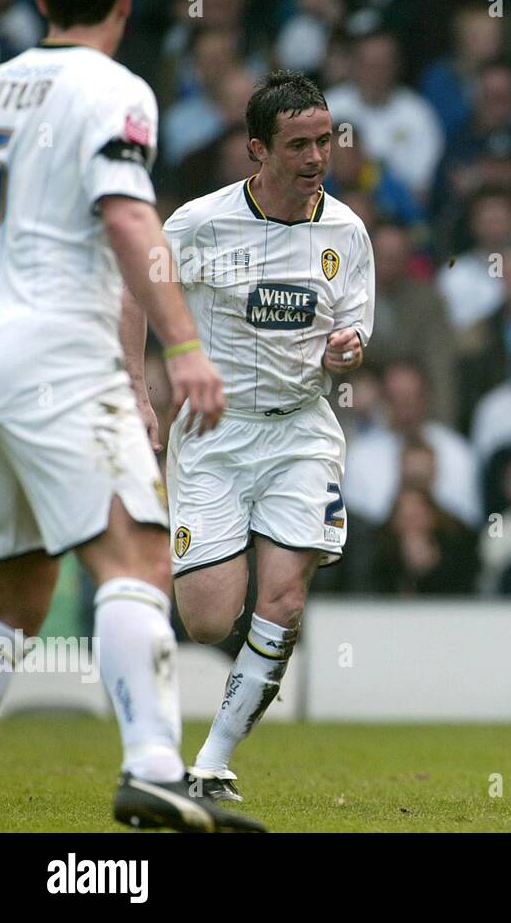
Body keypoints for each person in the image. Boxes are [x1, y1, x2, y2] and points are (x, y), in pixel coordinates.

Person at [0, 0, 258, 832]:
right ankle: (153, 766)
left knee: (21, 589)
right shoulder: (115, 89)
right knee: (140, 559)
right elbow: (128, 217)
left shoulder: (1, 87)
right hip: (58, 355)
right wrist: (184, 346)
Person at [159, 70, 374, 803]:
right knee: (209, 616)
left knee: (282, 600)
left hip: (299, 433)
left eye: (325, 140)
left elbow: (354, 331)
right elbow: (138, 287)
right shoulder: (197, 224)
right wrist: (137, 374)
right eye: (298, 144)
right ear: (258, 148)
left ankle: (213, 764)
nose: (317, 157)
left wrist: (346, 349)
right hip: (215, 432)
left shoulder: (345, 231)